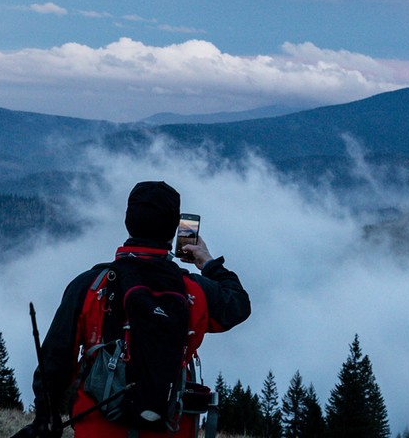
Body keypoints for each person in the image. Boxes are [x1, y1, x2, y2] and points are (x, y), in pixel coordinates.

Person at [17, 181, 251, 438]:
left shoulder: (90, 286)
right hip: (171, 428)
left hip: (98, 429)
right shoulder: (194, 291)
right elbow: (238, 305)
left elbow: (55, 362)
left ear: (128, 221)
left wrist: (43, 418)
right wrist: (207, 262)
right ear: (174, 229)